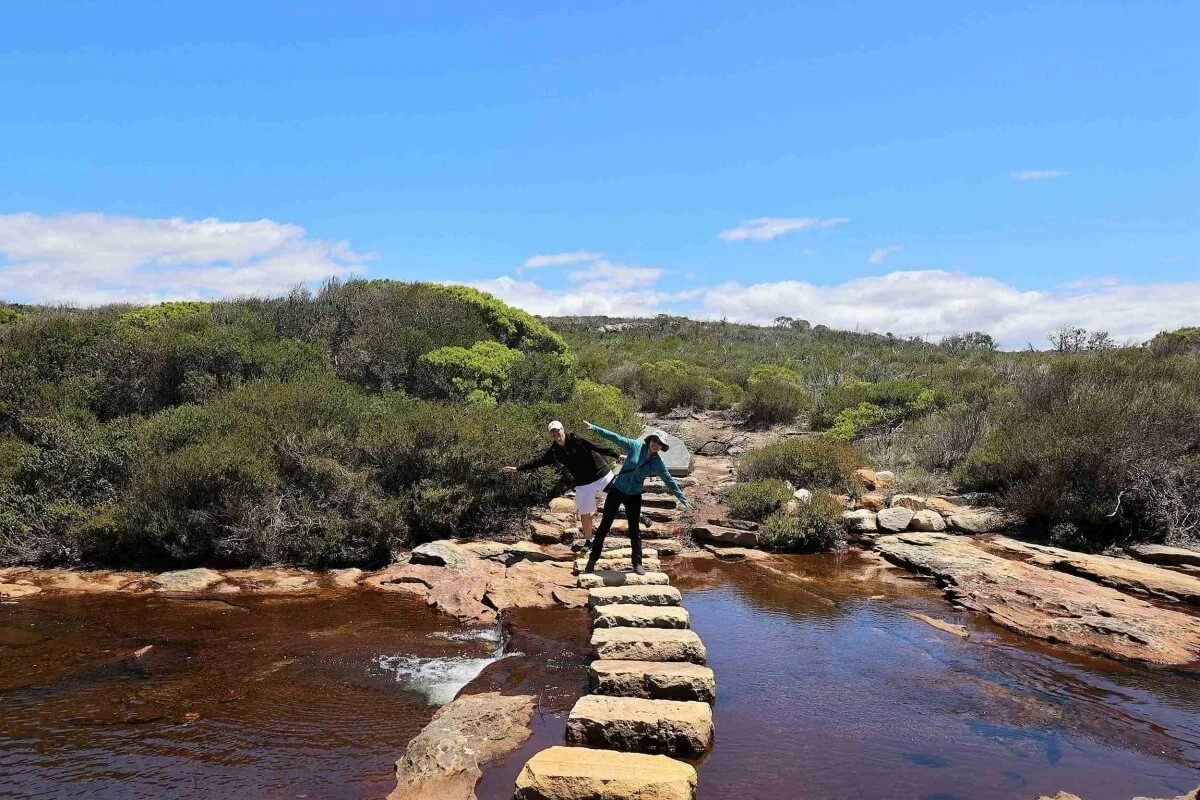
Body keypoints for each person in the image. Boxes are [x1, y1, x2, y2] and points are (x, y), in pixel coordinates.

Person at [580, 421, 690, 575]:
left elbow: (669, 480)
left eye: (659, 444)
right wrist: (595, 429)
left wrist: (682, 498)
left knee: (634, 531)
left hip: (634, 495)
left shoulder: (658, 462)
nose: (656, 444)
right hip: (617, 489)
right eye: (654, 441)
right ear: (650, 440)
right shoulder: (635, 446)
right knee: (605, 526)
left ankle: (637, 564)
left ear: (662, 447)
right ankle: (592, 561)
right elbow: (615, 437)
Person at [502, 421, 622, 545]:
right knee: (584, 512)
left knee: (620, 497)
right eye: (552, 433)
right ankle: (589, 541)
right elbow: (538, 461)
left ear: (563, 429)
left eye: (557, 430)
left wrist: (616, 455)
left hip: (600, 474)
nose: (555, 434)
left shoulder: (575, 438)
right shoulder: (554, 451)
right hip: (583, 483)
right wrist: (518, 469)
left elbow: (595, 446)